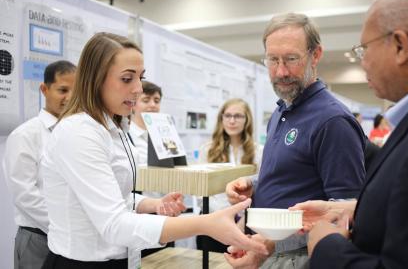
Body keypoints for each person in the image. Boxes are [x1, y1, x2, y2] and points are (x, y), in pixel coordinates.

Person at [40, 32, 267, 269]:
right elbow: (114, 223)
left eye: (141, 77)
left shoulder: (113, 128)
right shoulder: (79, 132)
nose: (138, 89)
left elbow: (116, 195)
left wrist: (152, 204)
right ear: (96, 79)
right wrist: (205, 224)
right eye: (127, 79)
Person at [290, 0, 408, 269]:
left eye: (364, 49)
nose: (362, 61)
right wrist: (355, 210)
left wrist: (326, 245)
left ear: (401, 45)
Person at [225, 13, 366, 268]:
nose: (280, 71)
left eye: (291, 59)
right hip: (269, 251)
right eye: (272, 60)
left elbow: (343, 216)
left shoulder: (333, 121)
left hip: (299, 258)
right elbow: (297, 173)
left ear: (316, 55)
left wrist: (273, 244)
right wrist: (254, 184)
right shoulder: (282, 110)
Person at [2, 60, 76, 269]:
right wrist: (64, 227)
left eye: (75, 90)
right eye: (62, 90)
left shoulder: (76, 134)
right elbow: (25, 195)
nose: (70, 97)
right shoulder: (25, 135)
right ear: (44, 89)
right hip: (39, 240)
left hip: (73, 240)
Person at [197, 98, 263, 252]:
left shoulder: (259, 151)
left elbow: (260, 190)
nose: (232, 121)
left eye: (238, 116)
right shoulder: (207, 150)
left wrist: (244, 221)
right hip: (211, 222)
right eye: (227, 116)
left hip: (245, 223)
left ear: (247, 120)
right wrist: (222, 218)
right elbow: (201, 191)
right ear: (221, 119)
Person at [128, 81, 162, 165]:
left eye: (156, 101)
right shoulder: (125, 135)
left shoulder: (161, 135)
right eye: (146, 100)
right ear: (133, 105)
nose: (153, 105)